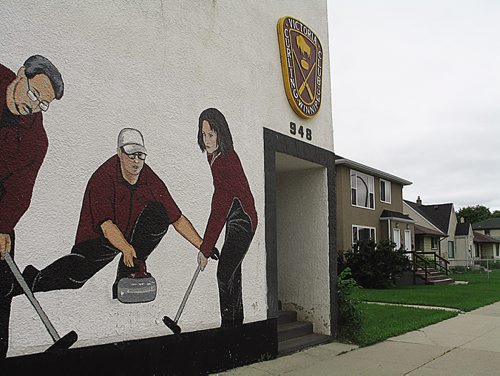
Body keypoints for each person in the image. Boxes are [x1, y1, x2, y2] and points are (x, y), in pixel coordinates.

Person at [12, 128, 213, 302]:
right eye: (130, 154)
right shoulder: (104, 177)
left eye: (140, 155)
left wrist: (203, 245)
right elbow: (106, 225)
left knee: (158, 213)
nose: (136, 160)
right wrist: (124, 247)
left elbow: (176, 218)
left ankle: (130, 271)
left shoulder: (148, 178)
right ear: (119, 153)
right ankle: (31, 280)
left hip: (130, 236)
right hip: (99, 237)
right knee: (75, 278)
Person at [0, 55, 64, 358]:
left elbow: (20, 193)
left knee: (2, 280)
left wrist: (3, 226)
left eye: (43, 103)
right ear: (20, 73)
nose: (35, 105)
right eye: (34, 93)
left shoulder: (36, 140)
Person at [197, 108, 257, 328]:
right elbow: (221, 204)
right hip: (234, 216)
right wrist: (207, 244)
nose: (207, 140)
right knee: (233, 274)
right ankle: (236, 325)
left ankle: (229, 326)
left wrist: (206, 248)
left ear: (221, 133)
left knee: (224, 273)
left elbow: (219, 205)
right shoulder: (214, 156)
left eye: (211, 134)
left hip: (244, 219)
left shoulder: (226, 160)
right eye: (204, 135)